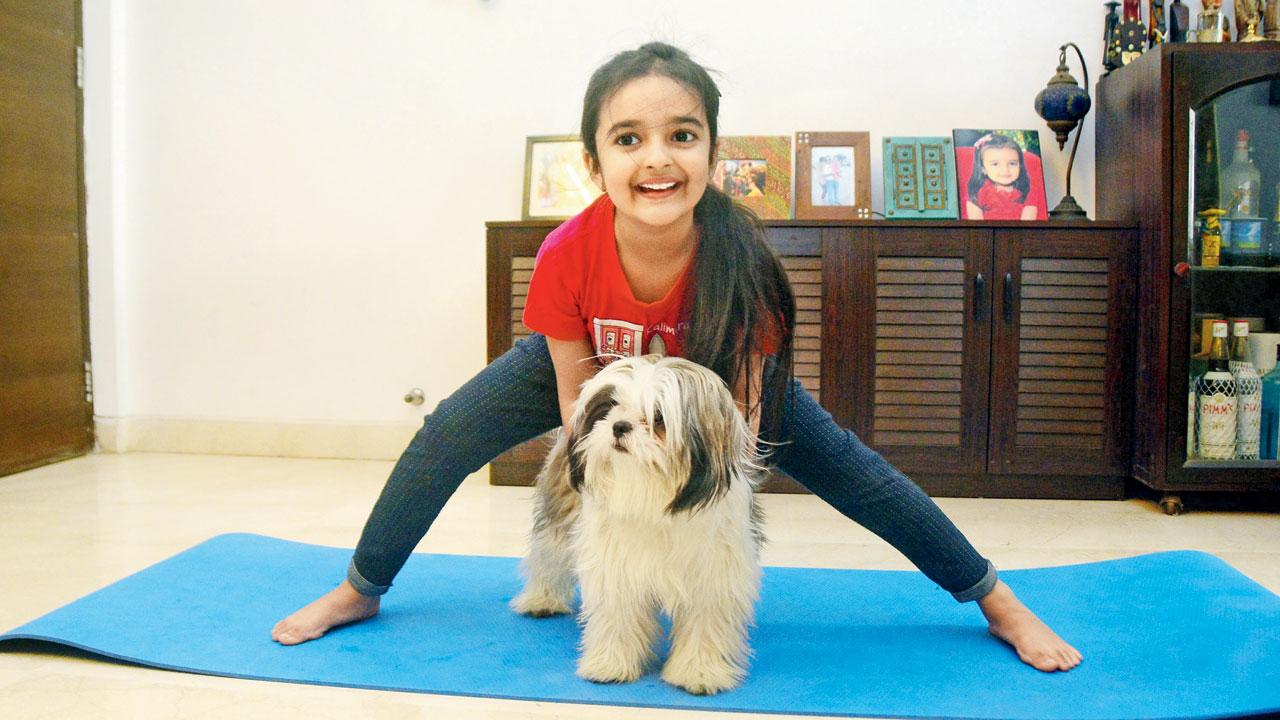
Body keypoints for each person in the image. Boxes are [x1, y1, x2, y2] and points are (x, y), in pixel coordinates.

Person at [272, 41, 1082, 674]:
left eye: (681, 136)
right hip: (594, 380)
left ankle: (994, 599)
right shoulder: (566, 253)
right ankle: (360, 588)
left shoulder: (745, 264)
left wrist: (686, 483)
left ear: (712, 154)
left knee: (861, 474)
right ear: (595, 163)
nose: (656, 157)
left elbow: (744, 426)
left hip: (719, 403)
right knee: (446, 431)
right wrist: (615, 481)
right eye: (629, 139)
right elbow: (571, 400)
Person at [965, 133, 1039, 221]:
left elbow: (1028, 226)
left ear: (1020, 165)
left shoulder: (1028, 192)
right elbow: (976, 228)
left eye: (1012, 163)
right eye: (995, 164)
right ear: (983, 169)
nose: (1005, 170)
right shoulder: (977, 193)